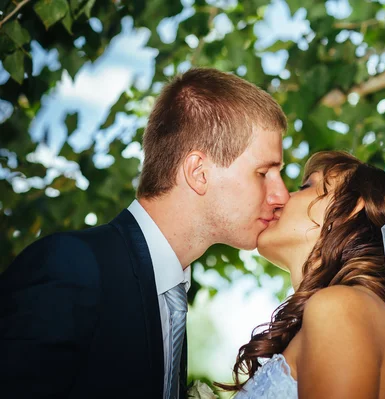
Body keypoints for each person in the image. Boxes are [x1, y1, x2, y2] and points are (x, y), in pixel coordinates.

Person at [0, 68, 290, 399]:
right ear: (198, 172)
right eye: (264, 172)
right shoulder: (72, 268)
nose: (280, 195)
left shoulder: (171, 290)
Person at [218, 151, 385, 398]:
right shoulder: (358, 312)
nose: (283, 196)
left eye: (306, 186)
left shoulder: (339, 306)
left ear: (353, 207)